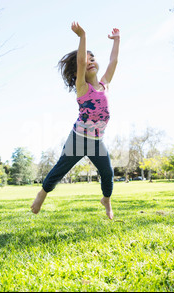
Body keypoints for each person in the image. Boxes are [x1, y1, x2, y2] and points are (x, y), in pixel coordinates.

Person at [31, 22, 120, 220]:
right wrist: (83, 36)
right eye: (86, 60)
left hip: (97, 141)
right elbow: (80, 62)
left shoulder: (104, 85)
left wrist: (117, 41)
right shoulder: (82, 88)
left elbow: (113, 61)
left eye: (93, 59)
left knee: (108, 173)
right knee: (60, 169)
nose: (90, 62)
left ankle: (106, 200)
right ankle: (41, 195)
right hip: (78, 139)